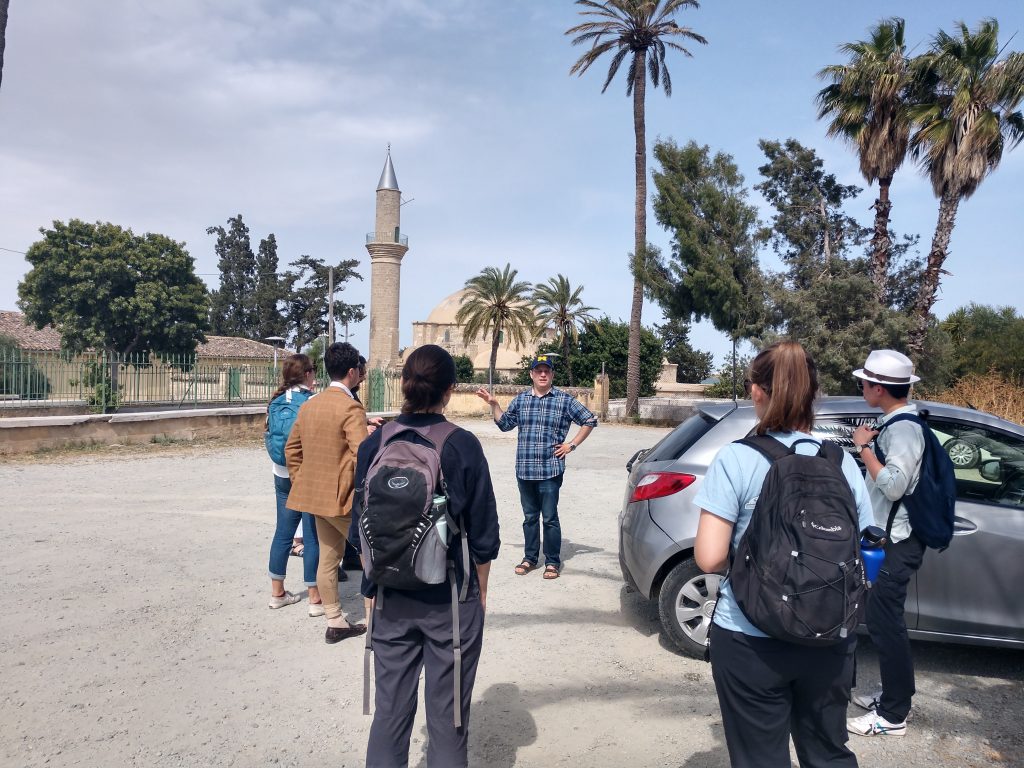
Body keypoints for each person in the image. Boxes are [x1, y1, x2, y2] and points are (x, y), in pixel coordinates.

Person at [694, 341, 873, 768]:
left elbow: (709, 557)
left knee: (761, 758)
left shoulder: (736, 458)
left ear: (757, 392)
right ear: (814, 395)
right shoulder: (841, 463)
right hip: (828, 635)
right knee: (828, 753)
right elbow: (865, 547)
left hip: (750, 637)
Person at [355, 344, 499, 768]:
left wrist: (370, 592)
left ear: (403, 384)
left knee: (390, 716)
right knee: (447, 720)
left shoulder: (374, 442)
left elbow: (357, 526)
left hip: (389, 597)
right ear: (450, 390)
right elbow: (485, 534)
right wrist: (481, 593)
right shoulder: (461, 445)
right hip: (450, 599)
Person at [846, 349, 926, 738]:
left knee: (885, 623)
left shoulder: (905, 429)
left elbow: (893, 486)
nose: (861, 386)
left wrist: (862, 447)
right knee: (883, 622)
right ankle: (895, 694)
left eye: (864, 382)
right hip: (888, 538)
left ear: (878, 387)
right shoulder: (893, 423)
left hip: (897, 543)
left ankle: (893, 715)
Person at [475, 354, 596, 580]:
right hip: (525, 469)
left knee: (549, 518)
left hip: (550, 470)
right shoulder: (521, 400)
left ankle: (552, 561)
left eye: (546, 371)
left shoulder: (564, 400)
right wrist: (495, 405)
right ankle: (530, 558)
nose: (542, 374)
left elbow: (589, 420)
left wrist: (571, 445)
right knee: (530, 517)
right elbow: (505, 425)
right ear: (531, 374)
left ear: (552, 375)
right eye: (538, 371)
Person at [285, 342, 368, 643]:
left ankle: (334, 618)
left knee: (328, 558)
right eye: (359, 369)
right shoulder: (350, 407)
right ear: (351, 372)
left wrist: (301, 480)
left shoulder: (310, 404)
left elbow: (291, 449)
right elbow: (363, 455)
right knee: (373, 554)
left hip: (315, 497)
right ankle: (377, 616)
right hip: (343, 499)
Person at [265, 354, 322, 615]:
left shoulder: (276, 402)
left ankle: (278, 593)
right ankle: (315, 598)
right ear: (307, 374)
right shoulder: (311, 402)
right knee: (312, 536)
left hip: (281, 473)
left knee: (283, 533)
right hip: (307, 474)